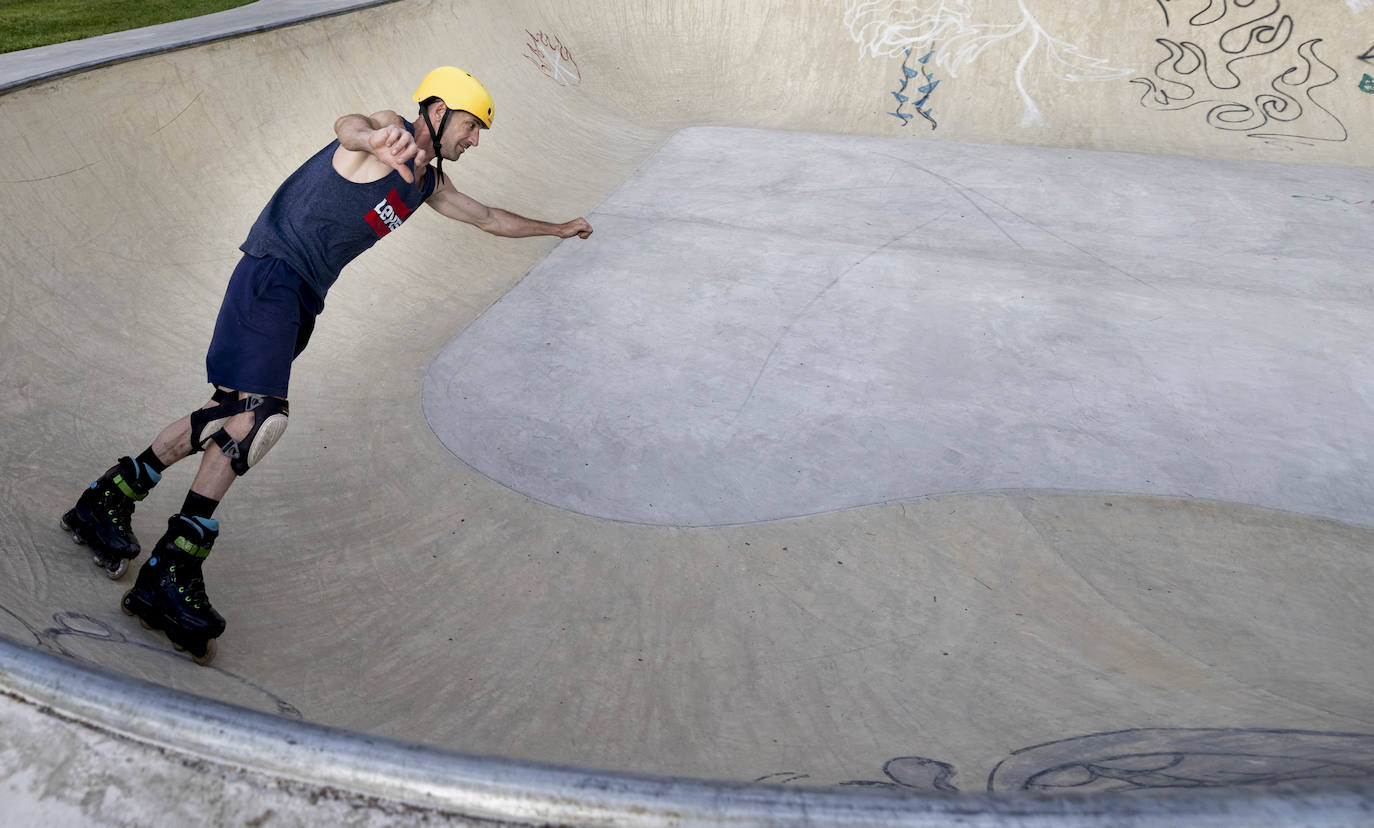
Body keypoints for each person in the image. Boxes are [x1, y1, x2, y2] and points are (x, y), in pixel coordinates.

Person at [61, 66, 593, 664]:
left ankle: (110, 497)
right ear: (438, 112)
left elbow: (488, 217)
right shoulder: (391, 131)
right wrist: (371, 138)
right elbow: (349, 127)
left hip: (298, 296)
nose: (475, 140)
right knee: (260, 420)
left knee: (228, 412)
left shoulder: (426, 183)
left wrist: (558, 228)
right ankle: (170, 569)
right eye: (471, 126)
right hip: (272, 274)